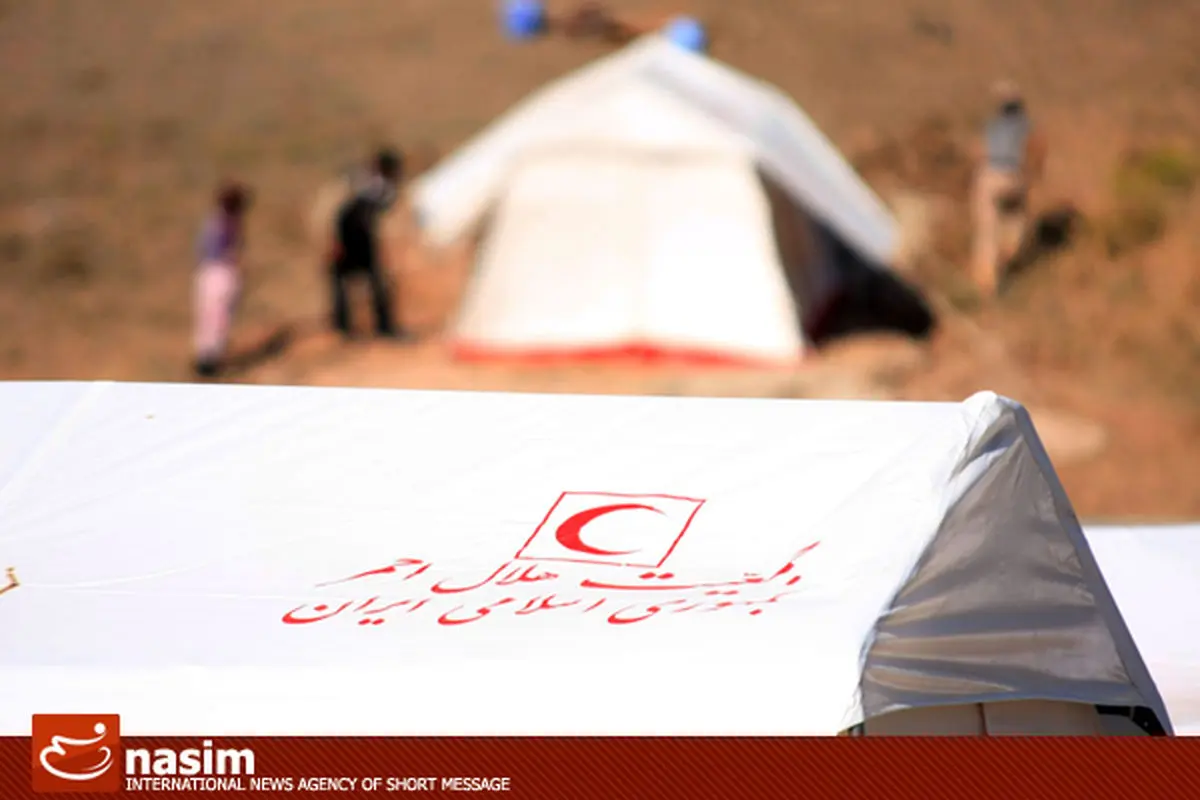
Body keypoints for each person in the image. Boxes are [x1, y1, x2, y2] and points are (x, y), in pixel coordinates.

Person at [969, 80, 1048, 296]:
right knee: (1015, 218)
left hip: (992, 175)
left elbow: (979, 151)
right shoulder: (1026, 125)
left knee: (987, 228)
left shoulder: (992, 125)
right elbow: (1038, 149)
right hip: (1016, 177)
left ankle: (986, 281)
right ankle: (1010, 250)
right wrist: (1034, 175)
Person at [328, 147, 406, 339]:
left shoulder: (368, 184)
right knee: (366, 281)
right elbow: (347, 213)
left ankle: (349, 327)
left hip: (357, 235)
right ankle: (372, 327)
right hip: (354, 235)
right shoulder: (376, 188)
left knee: (363, 281)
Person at [193, 181, 251, 378]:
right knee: (218, 316)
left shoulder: (214, 221)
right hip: (221, 271)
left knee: (210, 315)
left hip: (210, 270)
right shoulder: (227, 223)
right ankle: (210, 358)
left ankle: (207, 356)